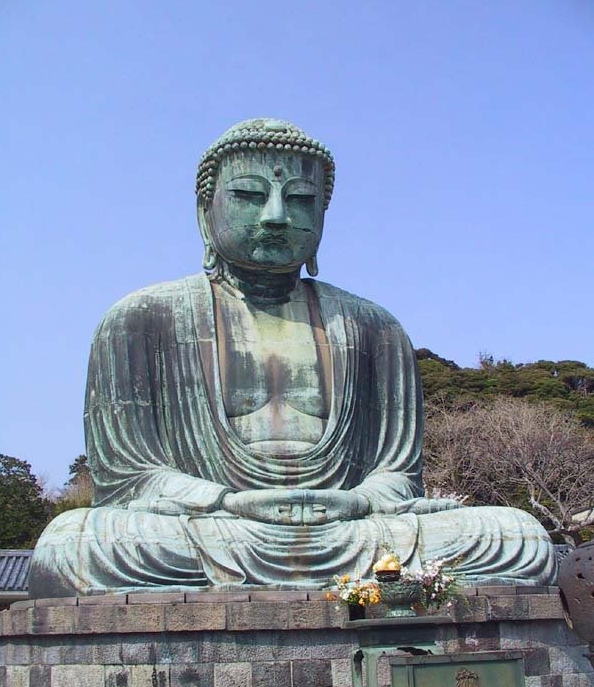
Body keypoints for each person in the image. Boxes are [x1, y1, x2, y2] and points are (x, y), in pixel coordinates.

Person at [28, 119, 556, 597]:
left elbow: (397, 476)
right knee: (74, 544)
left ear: (324, 214)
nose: (276, 216)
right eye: (249, 195)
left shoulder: (374, 327)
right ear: (203, 213)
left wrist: (357, 501)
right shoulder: (141, 319)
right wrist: (226, 502)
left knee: (515, 535)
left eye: (300, 200)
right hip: (216, 527)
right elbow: (131, 477)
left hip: (353, 528)